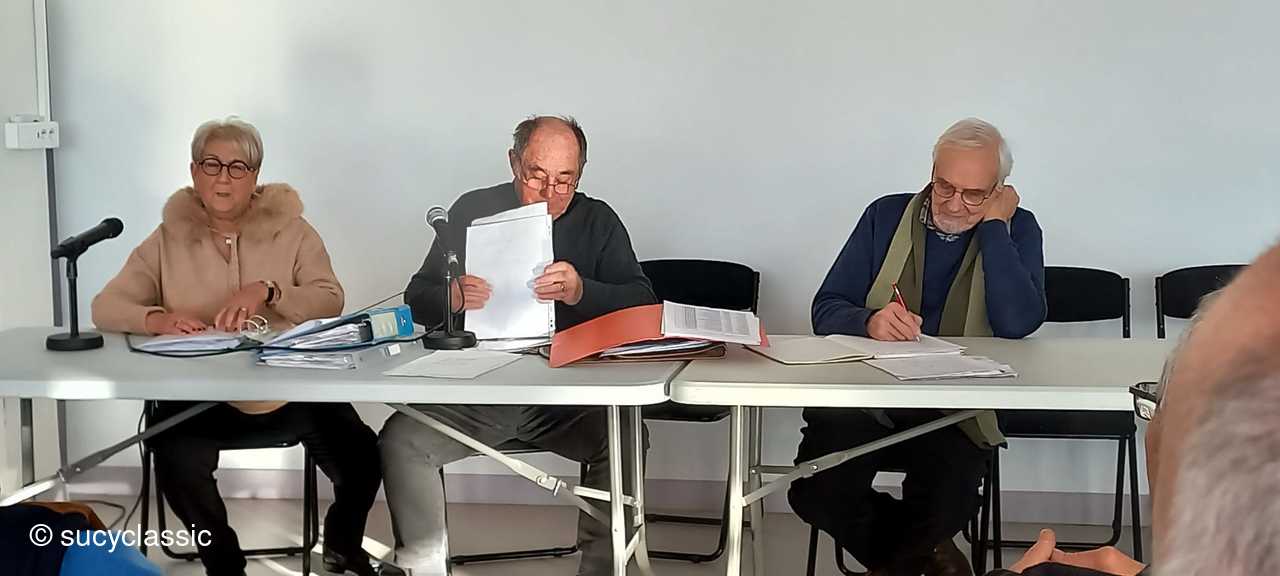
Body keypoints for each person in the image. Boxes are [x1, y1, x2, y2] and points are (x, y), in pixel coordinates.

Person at [91, 117, 382, 576]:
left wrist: (269, 290)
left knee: (363, 454)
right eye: (211, 164)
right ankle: (224, 565)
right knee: (173, 452)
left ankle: (342, 544)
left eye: (237, 167)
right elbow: (106, 306)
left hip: (290, 391)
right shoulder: (168, 237)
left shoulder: (292, 229)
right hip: (199, 398)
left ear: (255, 176)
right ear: (194, 172)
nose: (223, 178)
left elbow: (330, 297)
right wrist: (157, 319)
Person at [379, 116, 656, 576]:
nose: (550, 192)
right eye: (536, 175)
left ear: (581, 174)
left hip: (570, 395)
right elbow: (417, 298)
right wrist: (451, 296)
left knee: (625, 437)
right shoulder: (472, 210)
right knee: (401, 439)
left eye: (565, 180)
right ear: (513, 163)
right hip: (483, 391)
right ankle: (421, 566)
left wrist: (581, 291)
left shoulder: (598, 220)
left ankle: (603, 569)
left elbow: (643, 303)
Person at [790, 118, 1046, 576]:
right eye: (944, 186)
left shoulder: (1017, 228)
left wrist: (994, 227)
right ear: (931, 173)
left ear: (998, 191)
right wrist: (869, 320)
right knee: (815, 489)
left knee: (949, 499)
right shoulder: (885, 215)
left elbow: (1018, 323)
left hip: (959, 403)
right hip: (870, 394)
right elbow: (826, 307)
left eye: (974, 194)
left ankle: (902, 562)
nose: (954, 203)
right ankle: (926, 558)